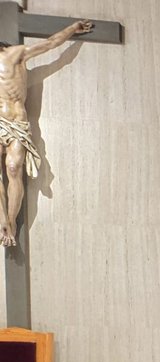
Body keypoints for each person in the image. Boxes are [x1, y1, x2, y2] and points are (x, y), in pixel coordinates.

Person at [0, 18, 91, 246]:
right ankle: (2, 220)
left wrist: (72, 29)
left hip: (17, 122)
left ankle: (11, 221)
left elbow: (50, 44)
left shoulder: (15, 54)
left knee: (13, 168)